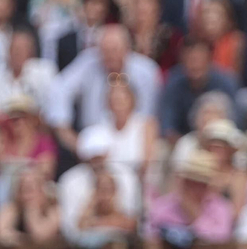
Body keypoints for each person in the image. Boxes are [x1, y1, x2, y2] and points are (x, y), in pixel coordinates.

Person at [43, 25, 161, 154]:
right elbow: (60, 89)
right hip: (91, 145)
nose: (110, 56)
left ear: (127, 49)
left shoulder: (146, 72)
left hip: (134, 145)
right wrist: (65, 131)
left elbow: (149, 117)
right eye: (105, 51)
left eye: (115, 50)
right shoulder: (88, 62)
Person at [144, 150, 235, 247]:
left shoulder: (221, 208)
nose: (195, 187)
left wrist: (194, 214)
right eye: (192, 181)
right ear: (184, 182)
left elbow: (222, 238)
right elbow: (148, 235)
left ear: (209, 185)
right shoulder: (163, 206)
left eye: (202, 183)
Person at [158, 38, 239, 140]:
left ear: (209, 59)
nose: (194, 65)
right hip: (184, 140)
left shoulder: (226, 82)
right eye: (190, 60)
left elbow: (235, 122)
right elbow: (167, 125)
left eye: (198, 59)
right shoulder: (174, 82)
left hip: (222, 139)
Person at [0, 28, 54, 124]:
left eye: (22, 49)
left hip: (34, 132)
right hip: (1, 133)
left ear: (31, 52)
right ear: (7, 51)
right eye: (14, 49)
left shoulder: (45, 73)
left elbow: (51, 112)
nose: (17, 54)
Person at [0, 167, 62, 246]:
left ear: (42, 190)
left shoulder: (55, 210)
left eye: (30, 190)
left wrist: (32, 213)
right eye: (22, 190)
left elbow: (41, 236)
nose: (26, 196)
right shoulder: (12, 208)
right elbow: (1, 232)